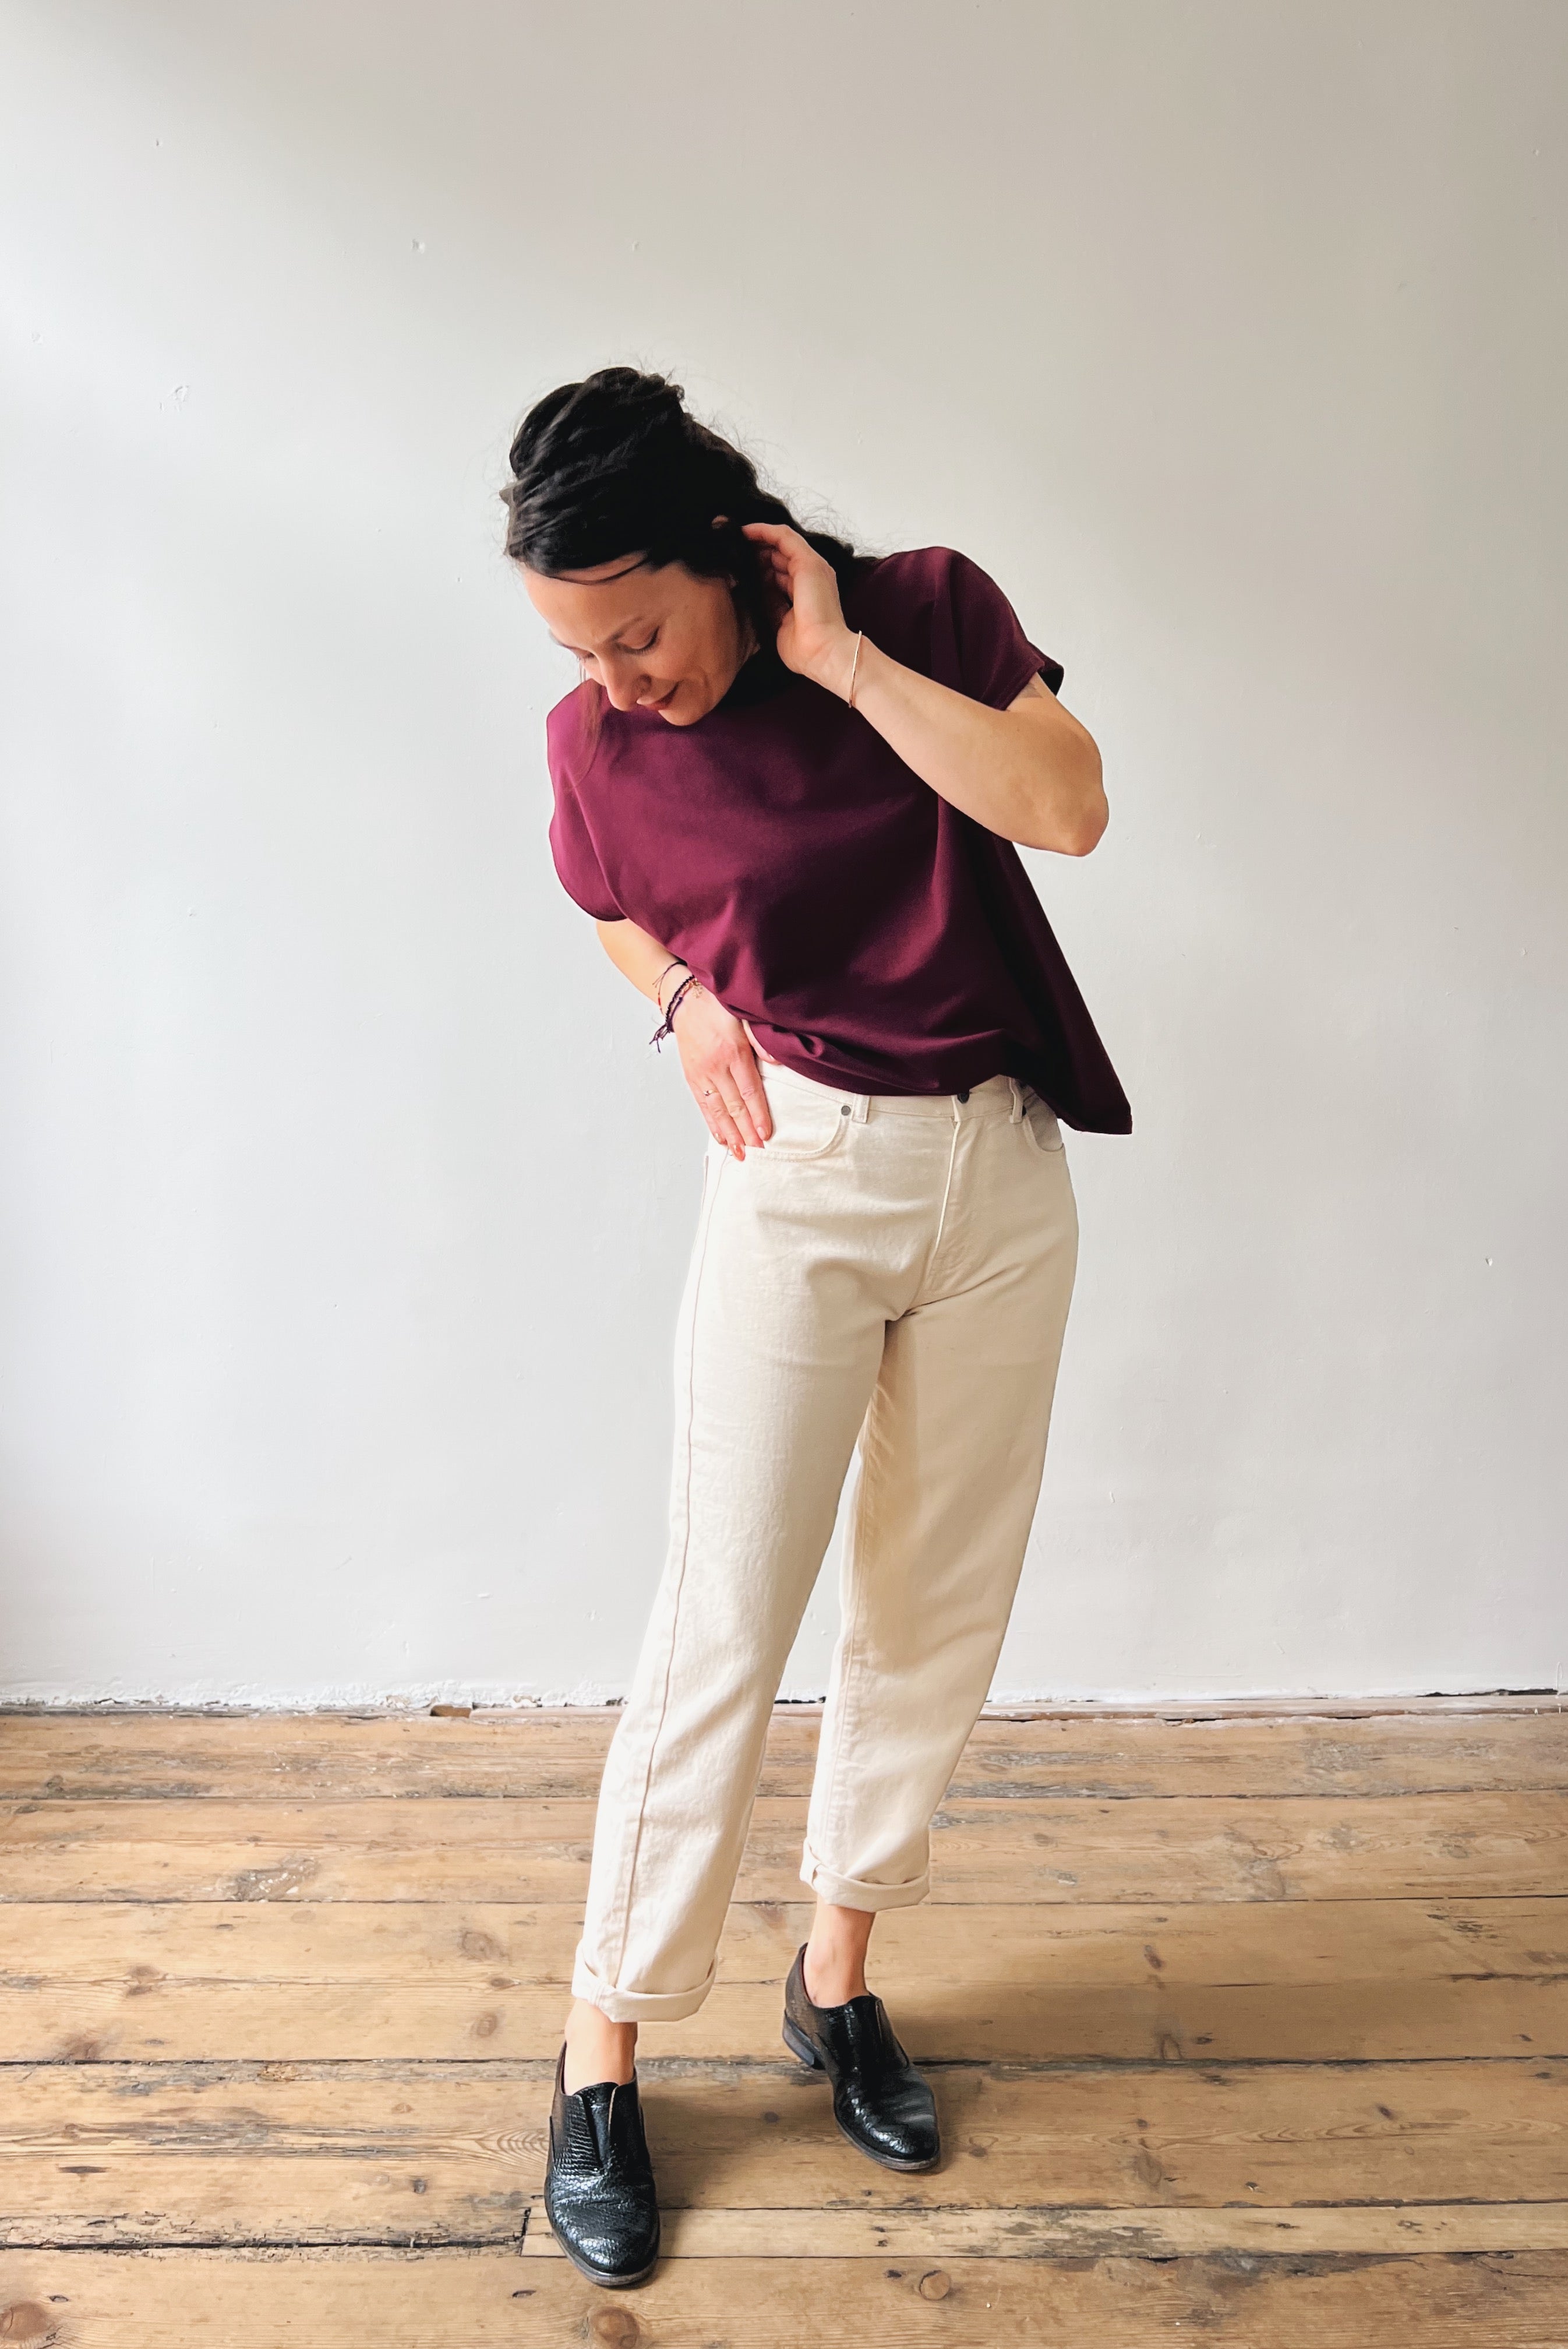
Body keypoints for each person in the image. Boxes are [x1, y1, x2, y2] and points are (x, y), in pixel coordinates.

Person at [502, 366, 1129, 2289]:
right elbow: (604, 894)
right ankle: (602, 2043)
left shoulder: (922, 612)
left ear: (730, 560)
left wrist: (842, 664)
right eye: (578, 649)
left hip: (997, 1171)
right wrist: (680, 995)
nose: (619, 680)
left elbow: (1068, 806)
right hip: (802, 1171)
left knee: (932, 1612)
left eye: (640, 633)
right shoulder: (595, 745)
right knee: (722, 1615)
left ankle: (835, 1976)